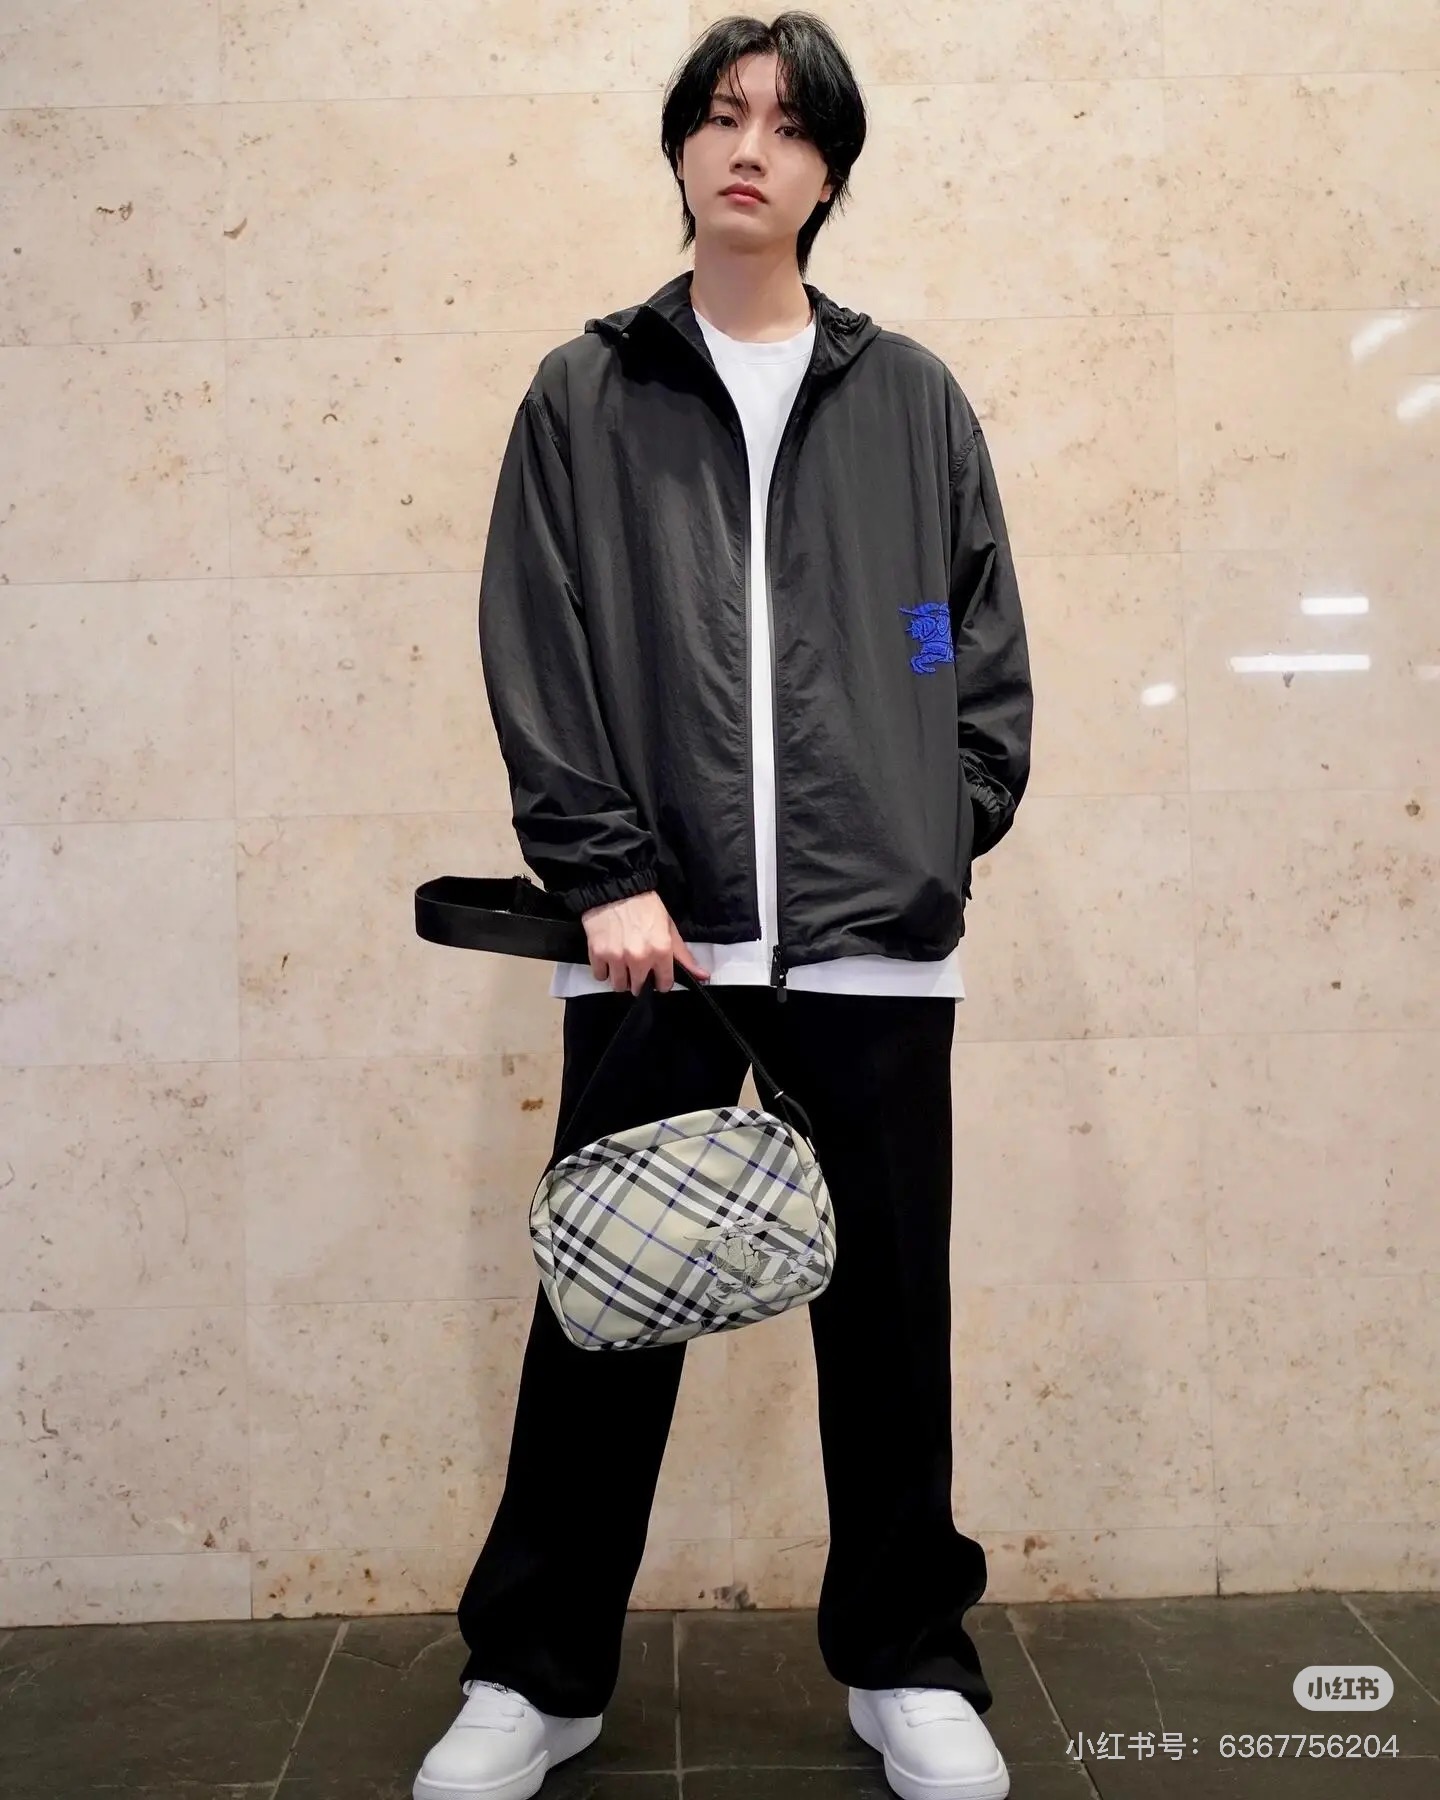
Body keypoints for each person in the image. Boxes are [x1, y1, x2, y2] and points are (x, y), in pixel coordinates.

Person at [414, 14, 1031, 1800]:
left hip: (872, 948)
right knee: (606, 1309)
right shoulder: (586, 392)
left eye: (787, 124)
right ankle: (536, 1676)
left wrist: (933, 831)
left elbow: (968, 646)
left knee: (889, 1325)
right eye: (720, 114)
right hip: (654, 945)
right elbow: (538, 638)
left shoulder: (912, 400)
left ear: (830, 172)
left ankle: (906, 1662)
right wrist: (603, 869)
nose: (748, 146)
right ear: (682, 150)